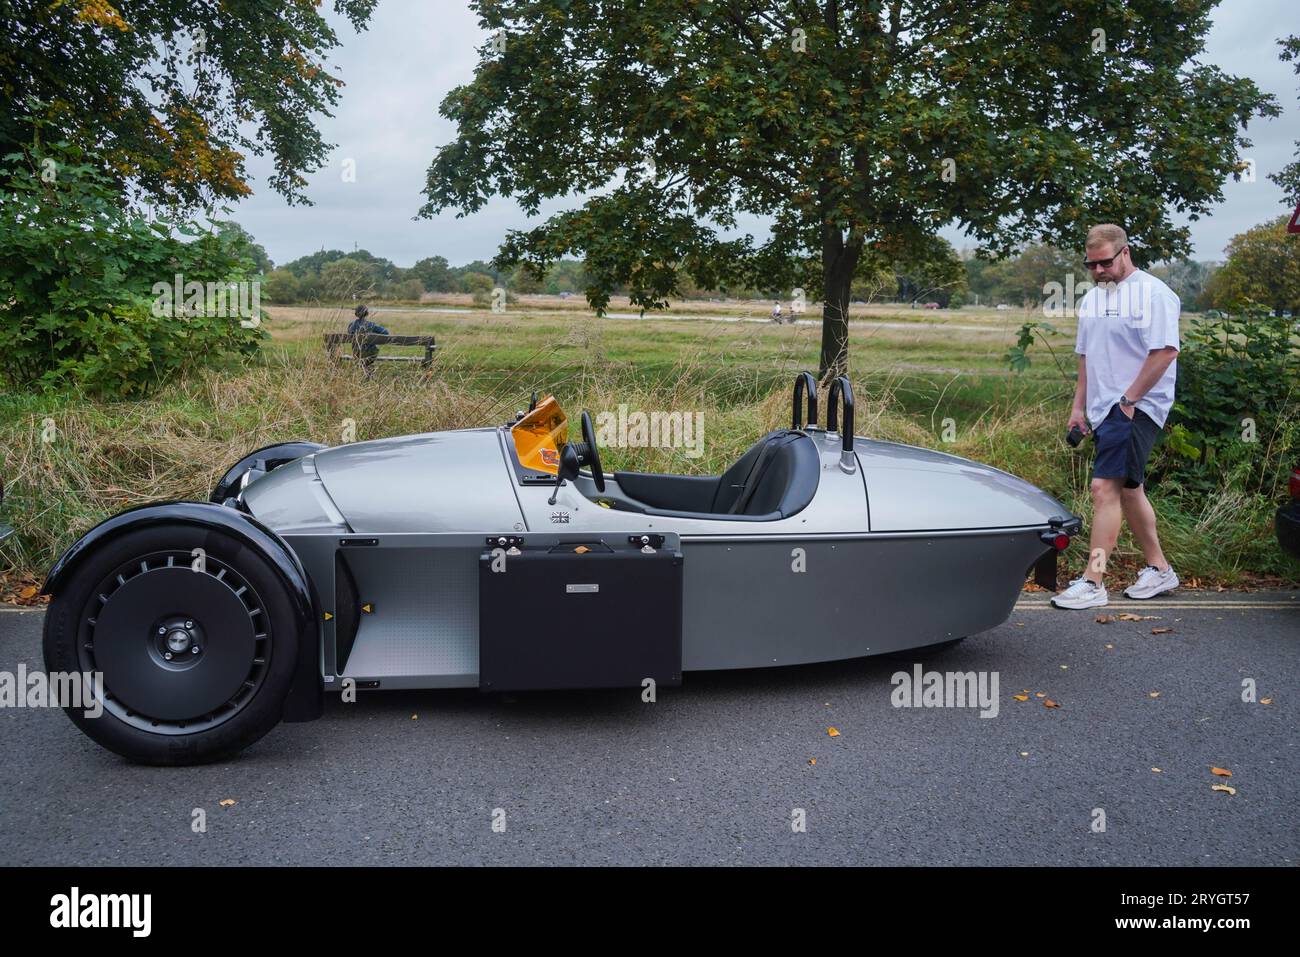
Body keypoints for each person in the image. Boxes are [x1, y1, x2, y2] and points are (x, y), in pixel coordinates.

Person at [1051, 224, 1181, 609]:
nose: (1098, 271)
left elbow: (1165, 352)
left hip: (1136, 407)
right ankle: (1159, 569)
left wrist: (1128, 400)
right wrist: (1079, 407)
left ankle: (1094, 581)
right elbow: (1086, 358)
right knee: (1128, 489)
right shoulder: (1093, 299)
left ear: (1125, 252)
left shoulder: (1154, 295)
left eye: (1105, 262)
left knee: (1102, 490)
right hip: (1104, 408)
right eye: (1091, 265)